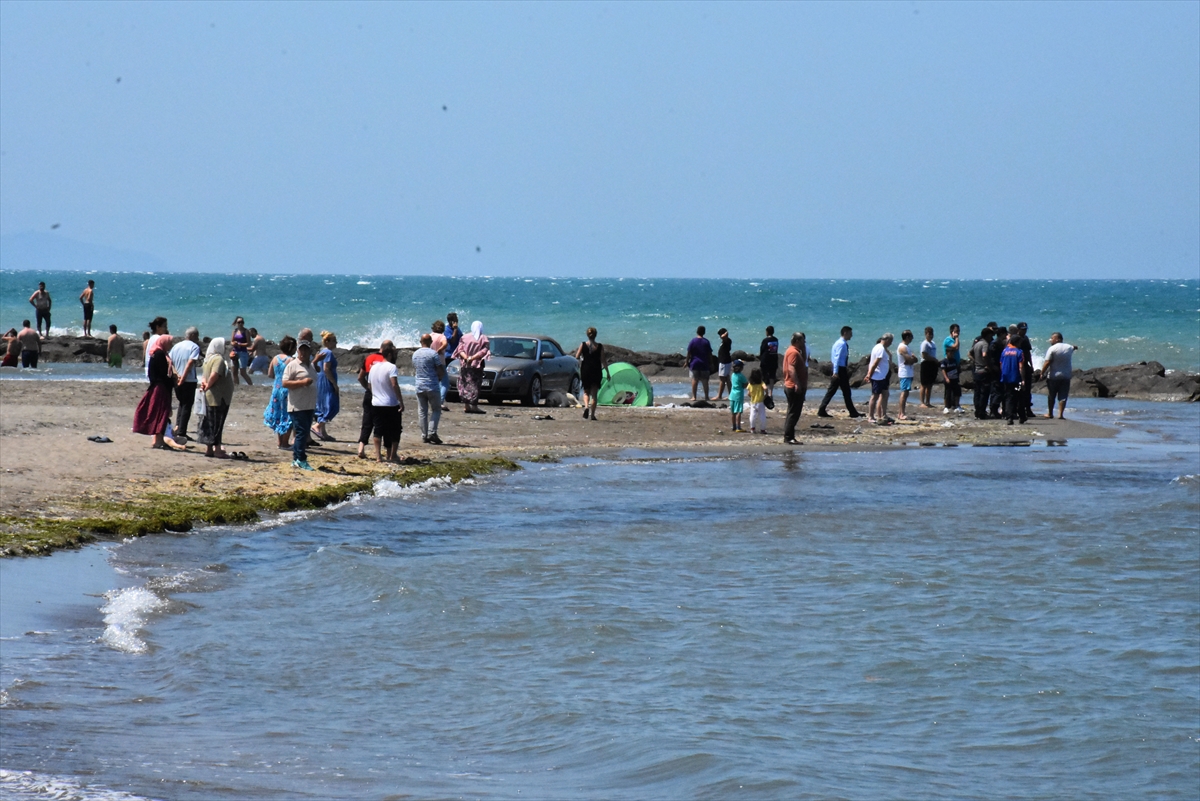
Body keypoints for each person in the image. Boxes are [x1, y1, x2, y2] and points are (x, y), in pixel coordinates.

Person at [132, 334, 185, 450]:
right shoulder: (160, 354)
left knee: (158, 413)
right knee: (162, 413)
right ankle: (159, 440)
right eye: (170, 343)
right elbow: (162, 374)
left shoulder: (156, 353)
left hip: (157, 387)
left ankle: (157, 440)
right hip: (161, 388)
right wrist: (172, 381)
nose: (171, 345)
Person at [282, 338, 319, 470]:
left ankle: (296, 459)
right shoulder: (292, 365)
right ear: (297, 351)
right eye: (301, 349)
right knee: (301, 432)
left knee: (303, 432)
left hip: (309, 405)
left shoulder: (311, 366)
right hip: (297, 406)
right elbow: (285, 383)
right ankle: (300, 459)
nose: (303, 352)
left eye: (306, 349)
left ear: (310, 351)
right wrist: (302, 383)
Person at [197, 337, 234, 458]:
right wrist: (208, 386)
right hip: (218, 396)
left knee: (210, 422)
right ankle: (217, 449)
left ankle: (210, 448)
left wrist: (204, 384)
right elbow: (214, 375)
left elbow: (204, 376)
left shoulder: (208, 359)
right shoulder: (218, 359)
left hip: (211, 396)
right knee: (217, 423)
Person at [369, 341, 404, 462]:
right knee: (395, 429)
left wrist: (376, 394)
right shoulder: (391, 367)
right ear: (389, 354)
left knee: (378, 429)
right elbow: (394, 384)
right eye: (393, 353)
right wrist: (400, 400)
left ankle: (378, 456)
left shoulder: (374, 367)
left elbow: (370, 385)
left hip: (376, 402)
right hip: (390, 403)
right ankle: (392, 455)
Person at [817, 326, 861, 419]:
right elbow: (836, 358)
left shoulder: (839, 343)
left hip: (839, 369)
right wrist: (836, 372)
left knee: (839, 391)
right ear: (845, 333)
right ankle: (822, 409)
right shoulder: (841, 344)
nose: (851, 335)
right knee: (840, 391)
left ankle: (852, 411)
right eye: (850, 333)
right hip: (840, 369)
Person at [355, 341, 389, 458]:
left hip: (370, 394)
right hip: (382, 395)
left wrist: (369, 389)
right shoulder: (387, 360)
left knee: (367, 421)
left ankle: (361, 447)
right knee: (382, 424)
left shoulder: (369, 358)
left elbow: (360, 377)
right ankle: (382, 452)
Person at [168, 327, 202, 442]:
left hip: (176, 378)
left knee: (182, 404)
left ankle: (178, 428)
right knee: (187, 405)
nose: (198, 339)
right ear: (192, 336)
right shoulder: (194, 347)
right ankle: (182, 431)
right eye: (197, 336)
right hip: (188, 380)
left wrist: (175, 374)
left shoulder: (176, 346)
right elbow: (190, 362)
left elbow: (170, 361)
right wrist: (183, 377)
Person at [264, 336, 297, 450]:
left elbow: (270, 374)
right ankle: (285, 443)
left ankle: (280, 441)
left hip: (276, 389)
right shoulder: (291, 360)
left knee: (278, 414)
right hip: (287, 389)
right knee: (288, 416)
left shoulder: (275, 358)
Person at [413, 333, 446, 444]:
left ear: (420, 342)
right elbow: (440, 369)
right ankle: (432, 432)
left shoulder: (415, 354)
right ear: (430, 342)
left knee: (422, 411)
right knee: (436, 409)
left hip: (419, 385)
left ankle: (424, 434)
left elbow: (416, 368)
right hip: (432, 385)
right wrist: (439, 379)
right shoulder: (433, 354)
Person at [453, 321, 490, 414]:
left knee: (464, 383)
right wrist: (473, 358)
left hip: (465, 364)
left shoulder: (464, 337)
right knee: (475, 385)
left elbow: (459, 350)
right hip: (477, 365)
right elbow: (484, 351)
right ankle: (474, 406)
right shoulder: (483, 338)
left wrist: (466, 358)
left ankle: (466, 405)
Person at [574, 327, 611, 420]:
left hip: (586, 370)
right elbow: (603, 360)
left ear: (587, 335)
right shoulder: (599, 346)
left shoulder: (583, 345)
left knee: (586, 391)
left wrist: (582, 358)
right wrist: (607, 372)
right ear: (596, 335)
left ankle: (586, 407)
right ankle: (593, 415)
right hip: (596, 370)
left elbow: (577, 356)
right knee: (594, 394)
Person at [1042, 332, 1078, 419]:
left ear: (1058, 339)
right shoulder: (1069, 347)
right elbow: (1074, 347)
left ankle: (1050, 413)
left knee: (1052, 395)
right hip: (1066, 375)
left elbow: (1047, 362)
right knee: (1063, 395)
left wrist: (1042, 372)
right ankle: (1061, 414)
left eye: (1052, 338)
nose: (1050, 340)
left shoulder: (1052, 349)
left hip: (1054, 376)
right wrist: (1075, 347)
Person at [312, 331, 341, 441]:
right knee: (330, 404)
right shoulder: (328, 352)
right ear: (327, 341)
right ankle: (317, 426)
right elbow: (326, 368)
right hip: (326, 381)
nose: (336, 343)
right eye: (334, 341)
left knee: (323, 404)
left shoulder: (322, 351)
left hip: (321, 380)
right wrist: (334, 383)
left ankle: (323, 432)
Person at [782, 332, 810, 444]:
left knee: (792, 412)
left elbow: (802, 363)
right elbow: (791, 368)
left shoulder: (795, 351)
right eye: (803, 341)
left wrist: (802, 349)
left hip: (792, 385)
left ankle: (789, 435)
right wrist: (797, 383)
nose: (804, 343)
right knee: (794, 413)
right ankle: (788, 437)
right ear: (797, 341)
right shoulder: (793, 352)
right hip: (793, 386)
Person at [1000, 327, 1027, 425]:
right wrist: (1023, 379)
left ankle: (1009, 417)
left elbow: (1001, 365)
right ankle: (1021, 416)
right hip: (1016, 377)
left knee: (1008, 397)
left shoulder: (1004, 351)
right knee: (1019, 397)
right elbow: (1021, 367)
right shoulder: (1019, 352)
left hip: (1006, 377)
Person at [866, 333, 894, 424]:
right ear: (887, 340)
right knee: (875, 396)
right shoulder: (880, 349)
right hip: (877, 376)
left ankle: (884, 414)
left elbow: (889, 357)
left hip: (883, 376)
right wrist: (869, 375)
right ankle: (870, 416)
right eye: (890, 341)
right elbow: (875, 363)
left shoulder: (882, 348)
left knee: (885, 394)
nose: (891, 343)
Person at [970, 328, 995, 420]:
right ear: (987, 335)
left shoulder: (977, 344)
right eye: (991, 336)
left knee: (977, 392)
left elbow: (969, 353)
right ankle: (982, 412)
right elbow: (984, 355)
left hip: (977, 370)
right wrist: (987, 365)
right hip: (984, 371)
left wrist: (976, 361)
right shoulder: (985, 344)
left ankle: (977, 411)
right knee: (984, 393)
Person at [686, 326, 713, 402]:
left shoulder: (693, 341)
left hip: (694, 363)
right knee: (705, 381)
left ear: (697, 332)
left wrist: (686, 361)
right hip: (704, 363)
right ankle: (706, 397)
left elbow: (689, 352)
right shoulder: (706, 342)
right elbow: (709, 354)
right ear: (704, 332)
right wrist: (711, 363)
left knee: (694, 380)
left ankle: (694, 396)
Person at [987, 327, 1009, 419]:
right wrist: (994, 367)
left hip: (998, 368)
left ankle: (994, 410)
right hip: (996, 369)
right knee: (997, 390)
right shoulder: (995, 343)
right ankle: (993, 410)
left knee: (998, 390)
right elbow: (992, 357)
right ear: (1002, 334)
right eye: (1005, 334)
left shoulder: (998, 343)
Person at [895, 330, 917, 420]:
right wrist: (912, 359)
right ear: (907, 337)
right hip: (904, 373)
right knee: (904, 393)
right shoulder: (902, 347)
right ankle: (901, 413)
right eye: (911, 336)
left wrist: (913, 359)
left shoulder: (906, 347)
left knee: (906, 393)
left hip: (908, 372)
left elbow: (914, 360)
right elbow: (909, 360)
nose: (912, 338)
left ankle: (901, 412)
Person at [443, 313, 462, 410]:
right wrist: (454, 329)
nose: (457, 322)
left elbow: (461, 339)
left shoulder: (458, 329)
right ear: (451, 321)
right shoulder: (447, 330)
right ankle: (445, 395)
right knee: (447, 377)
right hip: (449, 356)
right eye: (455, 320)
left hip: (457, 356)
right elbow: (453, 340)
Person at [430, 320, 450, 412]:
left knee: (434, 382)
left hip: (430, 361)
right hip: (440, 362)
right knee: (445, 383)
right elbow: (445, 344)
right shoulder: (442, 336)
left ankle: (432, 401)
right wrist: (439, 350)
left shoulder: (430, 336)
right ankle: (440, 402)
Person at [942, 324, 962, 413]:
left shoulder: (954, 340)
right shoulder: (948, 340)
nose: (958, 333)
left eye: (958, 331)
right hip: (948, 365)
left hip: (955, 364)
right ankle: (947, 405)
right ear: (952, 332)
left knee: (956, 387)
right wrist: (956, 338)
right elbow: (955, 347)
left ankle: (956, 404)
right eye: (956, 331)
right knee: (948, 389)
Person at [918, 327, 938, 408]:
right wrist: (933, 359)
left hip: (932, 364)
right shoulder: (924, 343)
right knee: (924, 384)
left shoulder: (933, 343)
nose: (931, 335)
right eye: (929, 334)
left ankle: (928, 402)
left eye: (931, 334)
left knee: (930, 384)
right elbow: (924, 355)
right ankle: (922, 402)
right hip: (926, 364)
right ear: (926, 334)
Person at [230, 317, 252, 385]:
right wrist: (234, 343)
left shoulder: (246, 331)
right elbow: (232, 341)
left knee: (242, 372)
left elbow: (249, 343)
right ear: (236, 323)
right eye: (239, 322)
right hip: (235, 352)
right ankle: (236, 385)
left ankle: (250, 384)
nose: (240, 324)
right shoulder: (235, 331)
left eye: (242, 322)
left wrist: (240, 344)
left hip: (243, 353)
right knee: (234, 371)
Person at [759, 326, 780, 398]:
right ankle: (771, 392)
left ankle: (765, 392)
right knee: (772, 376)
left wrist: (760, 358)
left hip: (766, 359)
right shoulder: (776, 340)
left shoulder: (765, 340)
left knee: (764, 376)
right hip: (774, 359)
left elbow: (762, 349)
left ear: (767, 332)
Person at [940, 350, 962, 415]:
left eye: (952, 353)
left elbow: (957, 368)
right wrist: (946, 378)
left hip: (955, 379)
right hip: (948, 379)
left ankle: (957, 405)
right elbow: (943, 370)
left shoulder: (954, 360)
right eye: (950, 353)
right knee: (947, 393)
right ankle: (946, 407)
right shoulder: (944, 361)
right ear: (947, 353)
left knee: (957, 393)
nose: (952, 354)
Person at [746, 367, 768, 434]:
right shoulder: (761, 383)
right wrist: (766, 394)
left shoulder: (750, 384)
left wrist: (751, 396)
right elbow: (765, 388)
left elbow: (748, 393)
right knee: (762, 415)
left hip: (753, 402)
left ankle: (752, 428)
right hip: (760, 401)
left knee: (752, 415)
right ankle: (762, 429)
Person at [728, 360, 747, 432]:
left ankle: (734, 426)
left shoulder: (733, 375)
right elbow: (746, 384)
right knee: (739, 411)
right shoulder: (741, 376)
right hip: (739, 395)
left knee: (733, 412)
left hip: (732, 394)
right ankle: (738, 427)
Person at [715, 328, 733, 401]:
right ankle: (731, 394)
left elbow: (723, 336)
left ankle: (719, 395)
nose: (720, 336)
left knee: (722, 379)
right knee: (727, 379)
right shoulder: (725, 341)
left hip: (724, 362)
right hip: (725, 361)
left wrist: (725, 332)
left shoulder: (727, 341)